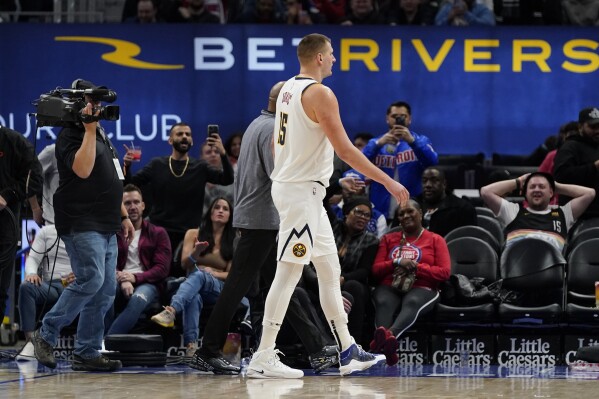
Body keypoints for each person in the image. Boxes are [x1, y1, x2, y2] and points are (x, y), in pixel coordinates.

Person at [245, 33, 409, 379]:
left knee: (330, 271)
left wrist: (293, 175)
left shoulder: (287, 88)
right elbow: (346, 150)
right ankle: (263, 354)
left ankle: (348, 349)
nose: (334, 59)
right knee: (289, 272)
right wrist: (388, 180)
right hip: (300, 194)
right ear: (319, 57)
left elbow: (279, 147)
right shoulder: (320, 93)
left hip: (305, 193)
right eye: (331, 54)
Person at [191, 82, 339, 375]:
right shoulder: (274, 131)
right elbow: (283, 175)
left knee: (286, 284)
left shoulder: (256, 124)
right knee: (238, 286)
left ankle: (319, 348)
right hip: (263, 221)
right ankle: (208, 351)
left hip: (262, 219)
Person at [30, 79, 135, 372]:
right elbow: (83, 170)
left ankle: (87, 352)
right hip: (80, 220)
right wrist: (89, 130)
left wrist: (124, 215)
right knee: (91, 279)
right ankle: (46, 334)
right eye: (92, 105)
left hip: (107, 222)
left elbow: (113, 178)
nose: (97, 110)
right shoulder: (70, 136)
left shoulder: (99, 135)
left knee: (105, 290)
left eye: (98, 106)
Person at [123, 122, 234, 274]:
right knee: (158, 277)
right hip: (159, 233)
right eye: (180, 134)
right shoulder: (157, 165)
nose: (184, 137)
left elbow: (227, 179)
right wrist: (127, 167)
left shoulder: (200, 167)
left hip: (188, 235)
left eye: (188, 135)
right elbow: (130, 184)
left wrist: (222, 153)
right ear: (170, 140)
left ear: (192, 141)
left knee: (181, 280)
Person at [151, 197, 246, 356]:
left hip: (218, 288)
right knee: (193, 296)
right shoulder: (193, 234)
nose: (221, 211)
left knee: (200, 275)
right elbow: (184, 264)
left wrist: (212, 273)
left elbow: (231, 275)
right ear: (210, 212)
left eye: (225, 209)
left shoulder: (233, 240)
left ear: (230, 215)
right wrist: (195, 252)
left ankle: (171, 310)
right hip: (194, 285)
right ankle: (191, 346)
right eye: (217, 207)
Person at [370, 199, 450, 366]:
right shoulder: (388, 239)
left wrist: (415, 267)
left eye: (410, 212)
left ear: (420, 213)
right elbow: (376, 270)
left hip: (422, 286)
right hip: (390, 284)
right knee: (383, 301)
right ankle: (388, 349)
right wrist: (396, 262)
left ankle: (382, 343)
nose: (406, 216)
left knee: (412, 302)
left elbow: (444, 273)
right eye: (401, 214)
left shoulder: (436, 239)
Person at [303, 195, 379, 347]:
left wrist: (342, 278)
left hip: (348, 282)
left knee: (354, 287)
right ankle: (314, 345)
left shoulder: (371, 240)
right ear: (346, 213)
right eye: (358, 212)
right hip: (320, 278)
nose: (363, 217)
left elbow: (364, 271)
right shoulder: (332, 225)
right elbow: (323, 200)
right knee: (303, 288)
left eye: (367, 215)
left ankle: (353, 345)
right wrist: (340, 184)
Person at [106, 184, 172, 335]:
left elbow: (162, 269)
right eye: (127, 203)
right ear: (120, 207)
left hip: (148, 283)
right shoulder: (112, 233)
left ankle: (105, 343)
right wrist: (123, 278)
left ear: (143, 206)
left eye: (136, 202)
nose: (133, 206)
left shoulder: (158, 233)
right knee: (106, 292)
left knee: (138, 299)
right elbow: (105, 263)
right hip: (117, 279)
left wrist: (135, 277)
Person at [480, 172, 595, 254]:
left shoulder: (563, 214)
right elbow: (485, 192)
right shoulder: (512, 212)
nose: (536, 189)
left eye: (542, 187)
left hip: (551, 281)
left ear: (551, 192)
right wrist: (518, 181)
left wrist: (556, 186)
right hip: (516, 279)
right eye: (532, 187)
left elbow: (590, 193)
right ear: (525, 193)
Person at [362, 100, 438, 220]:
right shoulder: (375, 142)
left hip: (411, 208)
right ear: (387, 119)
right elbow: (359, 163)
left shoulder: (420, 140)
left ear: (410, 119)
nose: (398, 119)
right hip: (380, 209)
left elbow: (432, 162)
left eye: (403, 116)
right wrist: (378, 144)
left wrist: (412, 142)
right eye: (394, 116)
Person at [0, 126, 42, 323]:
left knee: (0, 288)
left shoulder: (14, 142)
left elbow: (34, 178)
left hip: (4, 228)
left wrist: (8, 195)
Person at [16, 224, 73, 361]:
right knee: (26, 287)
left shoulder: (86, 230)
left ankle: (97, 342)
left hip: (78, 286)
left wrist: (83, 275)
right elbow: (33, 258)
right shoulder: (47, 231)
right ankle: (31, 343)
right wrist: (31, 273)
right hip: (51, 286)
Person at [553, 107, 599, 221]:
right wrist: (593, 167)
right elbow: (560, 176)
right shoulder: (570, 147)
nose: (597, 130)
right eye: (593, 127)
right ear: (580, 127)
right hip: (579, 213)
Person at [415, 166, 477, 238]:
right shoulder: (413, 206)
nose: (428, 185)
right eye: (424, 181)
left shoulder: (462, 209)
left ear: (444, 184)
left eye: (434, 180)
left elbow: (468, 242)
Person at [37, 143, 59, 225]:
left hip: (89, 226)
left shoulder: (97, 150)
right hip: (54, 223)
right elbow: (30, 177)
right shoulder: (53, 151)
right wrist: (35, 208)